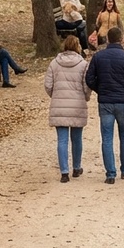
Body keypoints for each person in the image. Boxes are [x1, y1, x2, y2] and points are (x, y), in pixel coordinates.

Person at [85, 27, 124, 184]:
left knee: (107, 138)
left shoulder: (98, 57)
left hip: (105, 101)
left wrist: (100, 89)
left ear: (108, 39)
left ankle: (110, 173)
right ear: (121, 38)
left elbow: (89, 79)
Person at [44, 36, 91, 183]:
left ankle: (64, 172)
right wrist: (85, 97)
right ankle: (76, 167)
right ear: (77, 46)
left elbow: (48, 85)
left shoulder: (54, 63)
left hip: (59, 105)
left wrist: (55, 95)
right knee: (77, 139)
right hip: (77, 105)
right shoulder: (83, 64)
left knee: (62, 140)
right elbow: (87, 85)